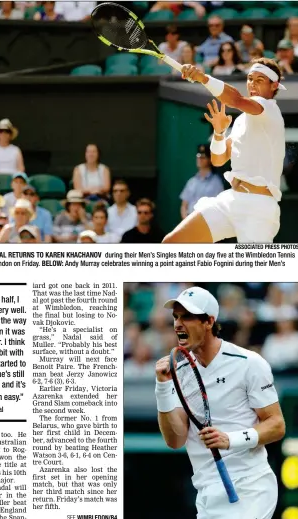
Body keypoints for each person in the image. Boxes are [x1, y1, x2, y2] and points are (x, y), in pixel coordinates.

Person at [156, 286, 285, 519]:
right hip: (207, 492)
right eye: (175, 317)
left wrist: (230, 440)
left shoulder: (249, 363)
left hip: (251, 487)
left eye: (187, 317)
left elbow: (276, 425)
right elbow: (175, 440)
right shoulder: (178, 371)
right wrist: (162, 387)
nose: (178, 324)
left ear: (209, 322)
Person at [163, 57, 286, 244]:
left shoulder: (270, 109)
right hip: (231, 200)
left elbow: (235, 99)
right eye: (250, 79)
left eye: (259, 80)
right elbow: (219, 160)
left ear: (274, 86)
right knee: (172, 244)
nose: (252, 84)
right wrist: (219, 133)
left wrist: (203, 78)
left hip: (258, 209)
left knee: (255, 274)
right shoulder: (241, 121)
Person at [180, 144, 224, 220]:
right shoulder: (191, 181)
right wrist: (186, 220)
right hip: (189, 223)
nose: (200, 159)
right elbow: (184, 205)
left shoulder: (216, 182)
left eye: (203, 157)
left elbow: (219, 208)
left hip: (206, 223)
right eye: (198, 156)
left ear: (210, 159)